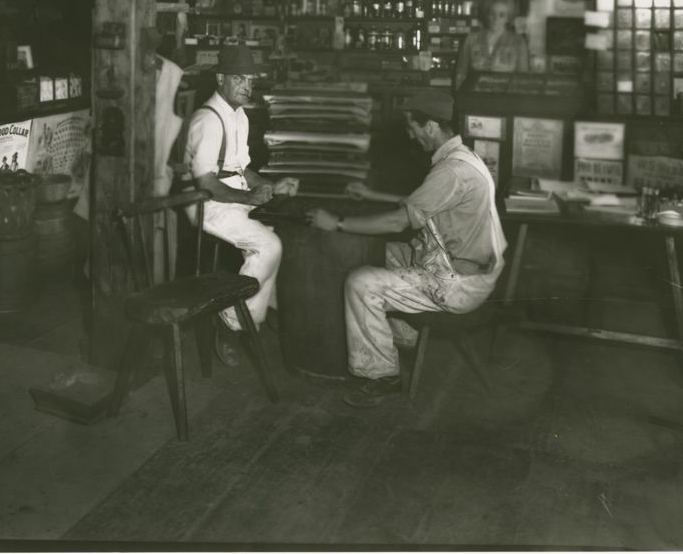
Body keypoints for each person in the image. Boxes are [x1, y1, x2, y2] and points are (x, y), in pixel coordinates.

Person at [305, 88, 507, 407]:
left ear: (430, 127)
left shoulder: (451, 171)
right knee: (372, 252)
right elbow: (423, 203)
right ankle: (401, 336)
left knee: (361, 282)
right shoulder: (463, 158)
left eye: (413, 129)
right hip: (459, 266)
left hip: (458, 284)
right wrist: (370, 195)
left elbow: (399, 222)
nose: (412, 137)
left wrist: (337, 223)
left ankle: (382, 374)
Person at [185, 44, 298, 366]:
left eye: (250, 80)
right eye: (239, 79)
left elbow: (239, 169)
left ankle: (263, 308)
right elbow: (206, 183)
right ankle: (231, 324)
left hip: (230, 197)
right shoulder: (207, 120)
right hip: (204, 204)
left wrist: (269, 186)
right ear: (220, 78)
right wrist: (249, 198)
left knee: (280, 230)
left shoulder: (239, 115)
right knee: (268, 245)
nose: (247, 86)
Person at [454, 0, 529, 90]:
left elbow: (523, 78)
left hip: (505, 98)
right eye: (492, 14)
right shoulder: (471, 39)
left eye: (501, 15)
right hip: (475, 97)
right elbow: (461, 73)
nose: (496, 19)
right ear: (486, 15)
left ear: (508, 18)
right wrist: (461, 98)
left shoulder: (518, 42)